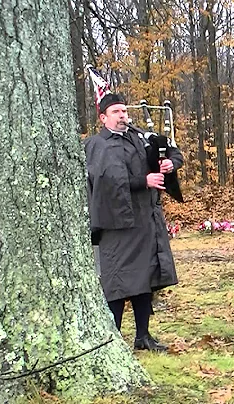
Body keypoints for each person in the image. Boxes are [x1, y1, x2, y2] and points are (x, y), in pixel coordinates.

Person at [85, 93, 183, 351]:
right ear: (103, 117)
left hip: (145, 220)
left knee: (145, 279)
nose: (122, 116)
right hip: (117, 224)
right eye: (116, 112)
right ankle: (111, 341)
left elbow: (172, 150)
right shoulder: (98, 144)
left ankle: (143, 336)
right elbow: (106, 180)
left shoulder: (139, 138)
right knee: (116, 284)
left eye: (124, 111)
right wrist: (144, 181)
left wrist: (170, 164)